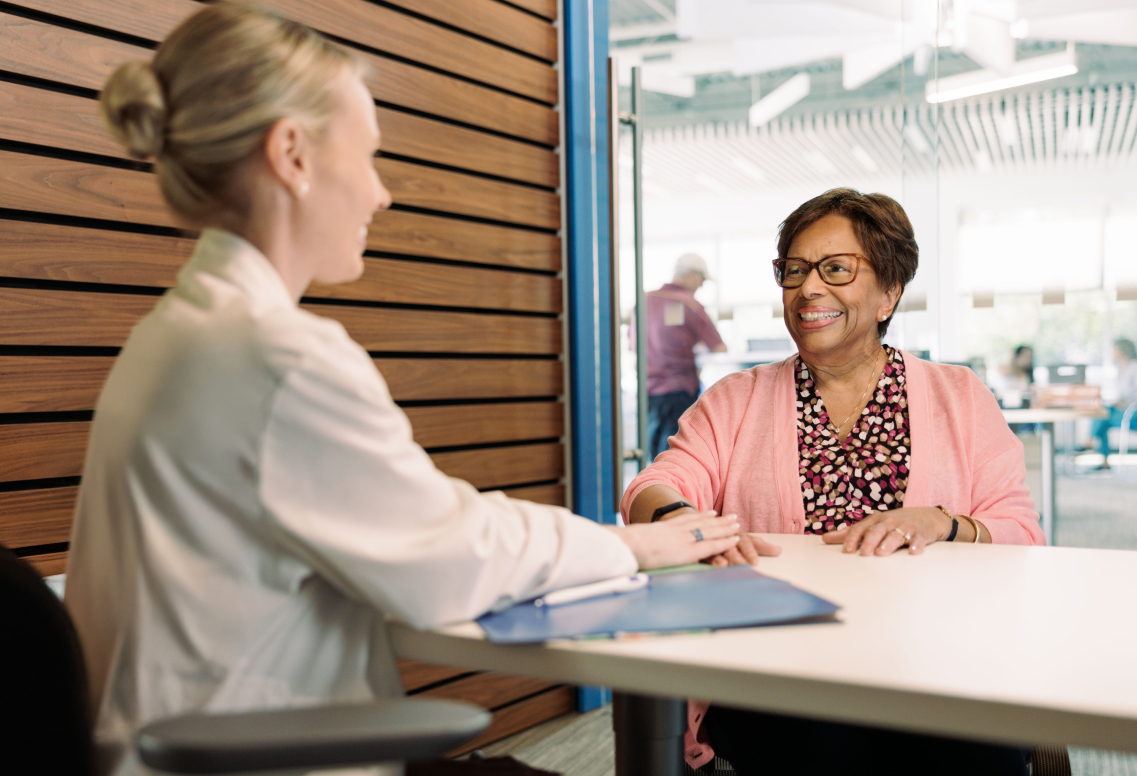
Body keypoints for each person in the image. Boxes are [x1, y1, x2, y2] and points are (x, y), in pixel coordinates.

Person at [63, 7, 752, 775]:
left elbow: (425, 522)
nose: (381, 194)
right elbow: (450, 560)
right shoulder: (278, 356)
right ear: (291, 154)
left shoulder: (172, 335)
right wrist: (627, 546)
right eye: (368, 158)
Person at [621, 188, 1044, 776]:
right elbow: (654, 486)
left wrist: (946, 522)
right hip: (780, 667)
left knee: (971, 753)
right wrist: (677, 520)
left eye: (836, 269)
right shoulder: (734, 401)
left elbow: (1023, 533)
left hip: (942, 664)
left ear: (888, 293)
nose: (808, 288)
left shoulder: (960, 396)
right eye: (793, 270)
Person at [642, 253, 727, 459]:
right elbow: (718, 346)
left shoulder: (643, 300)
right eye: (702, 280)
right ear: (691, 275)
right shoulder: (690, 304)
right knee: (675, 454)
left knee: (652, 450)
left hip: (648, 389)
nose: (701, 286)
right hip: (679, 390)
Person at [1088, 337, 1137, 468]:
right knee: (1101, 414)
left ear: (1121, 351)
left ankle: (1089, 440)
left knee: (1102, 417)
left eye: (1113, 349)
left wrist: (1125, 402)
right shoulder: (1120, 369)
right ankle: (1103, 459)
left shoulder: (1134, 367)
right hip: (1122, 408)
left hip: (1133, 411)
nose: (1111, 352)